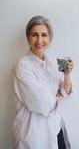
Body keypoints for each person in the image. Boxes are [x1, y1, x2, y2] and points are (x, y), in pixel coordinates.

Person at [12, 16, 74, 149]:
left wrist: (67, 75)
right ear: (28, 37)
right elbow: (42, 103)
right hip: (33, 135)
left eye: (44, 35)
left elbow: (66, 91)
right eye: (35, 35)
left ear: (49, 38)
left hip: (56, 130)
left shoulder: (52, 62)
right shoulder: (22, 66)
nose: (39, 40)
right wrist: (59, 96)